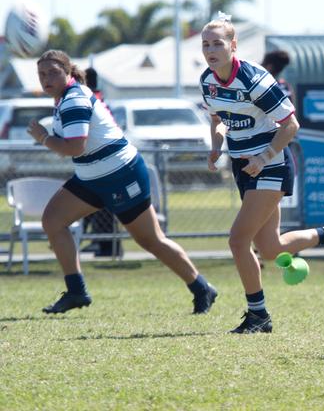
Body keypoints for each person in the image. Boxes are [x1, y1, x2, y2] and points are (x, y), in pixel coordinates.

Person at [200, 13, 324, 334]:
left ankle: (258, 315)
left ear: (233, 46)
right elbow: (217, 119)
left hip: (272, 165)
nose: (210, 50)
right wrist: (216, 145)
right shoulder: (208, 81)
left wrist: (264, 156)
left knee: (238, 241)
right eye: (206, 44)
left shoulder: (255, 79)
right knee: (270, 249)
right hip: (244, 166)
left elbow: (291, 125)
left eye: (218, 43)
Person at [26, 50, 218, 315]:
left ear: (68, 73)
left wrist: (44, 137)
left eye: (53, 72)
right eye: (42, 74)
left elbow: (75, 147)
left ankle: (201, 287)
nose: (46, 79)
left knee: (151, 240)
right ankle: (76, 291)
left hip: (120, 175)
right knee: (53, 221)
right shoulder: (64, 98)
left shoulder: (73, 100)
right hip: (92, 178)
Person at [79, 66, 122, 257]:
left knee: (103, 207)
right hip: (99, 161)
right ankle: (100, 242)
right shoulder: (99, 97)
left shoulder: (91, 98)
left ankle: (108, 246)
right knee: (92, 204)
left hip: (102, 162)